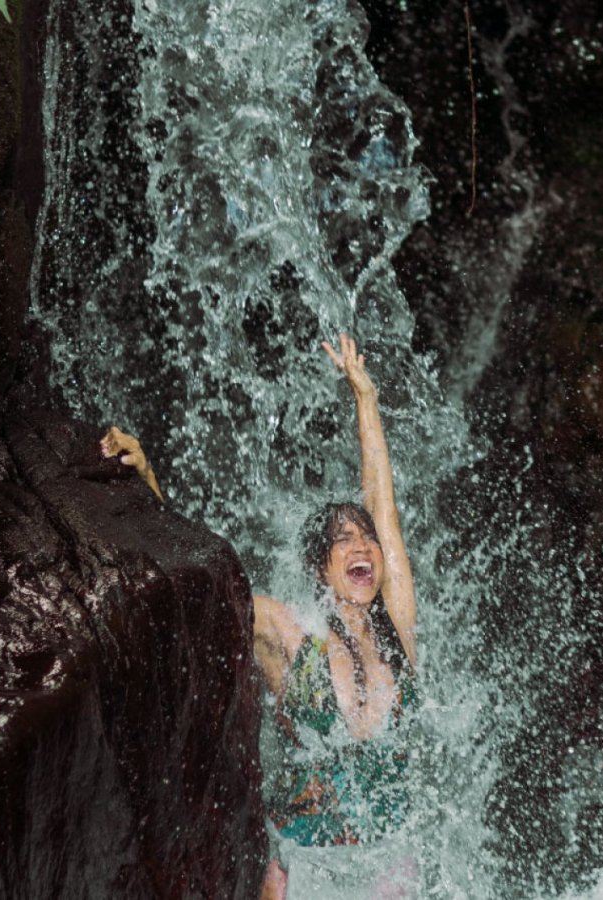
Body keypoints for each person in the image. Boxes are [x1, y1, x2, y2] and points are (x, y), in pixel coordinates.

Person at [101, 335, 418, 899]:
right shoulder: (287, 633)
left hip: (390, 867)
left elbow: (384, 506)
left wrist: (365, 400)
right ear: (322, 569)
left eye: (364, 537)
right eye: (342, 541)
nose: (362, 546)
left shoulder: (397, 630)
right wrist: (145, 481)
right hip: (304, 867)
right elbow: (197, 581)